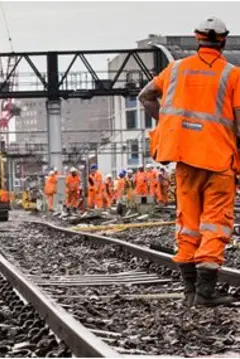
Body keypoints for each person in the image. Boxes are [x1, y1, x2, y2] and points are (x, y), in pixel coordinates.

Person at [138, 16, 240, 307]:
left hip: (185, 158)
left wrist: (169, 124)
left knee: (189, 223)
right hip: (219, 159)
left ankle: (189, 292)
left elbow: (146, 96)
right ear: (223, 41)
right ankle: (206, 292)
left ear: (197, 39)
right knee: (215, 223)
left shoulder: (176, 69)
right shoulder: (232, 75)